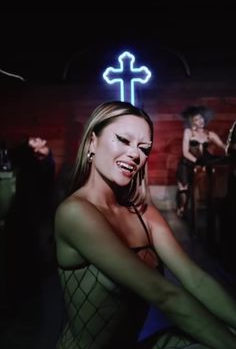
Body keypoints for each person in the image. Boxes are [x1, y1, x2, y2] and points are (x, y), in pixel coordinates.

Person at [55, 101, 236, 349]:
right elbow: (163, 295)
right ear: (92, 142)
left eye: (144, 148)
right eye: (123, 140)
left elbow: (197, 280)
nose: (135, 154)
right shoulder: (74, 213)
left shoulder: (144, 214)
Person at [4, 136, 55, 307]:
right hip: (23, 217)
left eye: (41, 140)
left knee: (29, 259)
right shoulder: (26, 162)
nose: (39, 141)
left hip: (33, 219)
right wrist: (28, 146)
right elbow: (14, 155)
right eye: (34, 140)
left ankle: (25, 298)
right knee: (20, 259)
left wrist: (36, 150)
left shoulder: (42, 165)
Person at [176, 105, 229, 219]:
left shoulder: (210, 134)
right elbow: (185, 152)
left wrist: (231, 148)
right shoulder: (188, 132)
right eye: (196, 120)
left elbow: (224, 146)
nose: (200, 121)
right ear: (192, 122)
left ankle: (210, 204)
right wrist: (197, 161)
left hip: (204, 160)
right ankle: (181, 208)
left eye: (201, 118)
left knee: (218, 163)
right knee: (184, 190)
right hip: (187, 162)